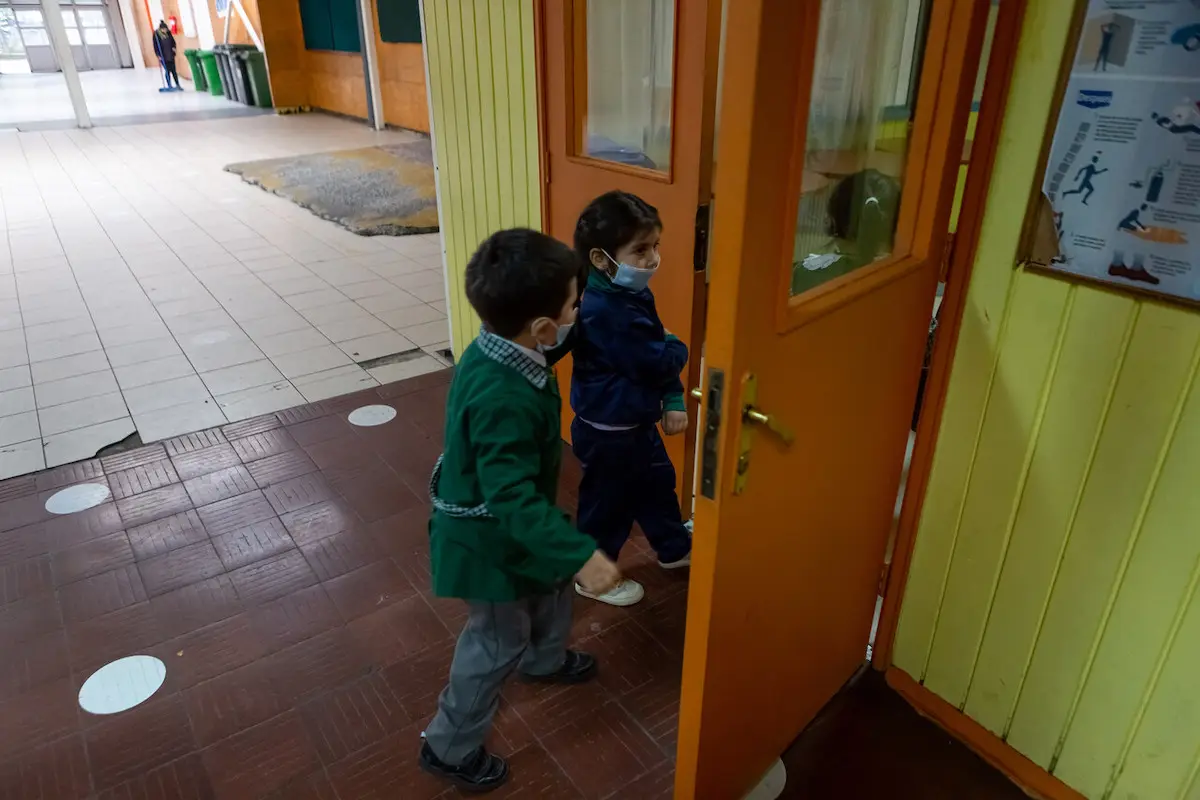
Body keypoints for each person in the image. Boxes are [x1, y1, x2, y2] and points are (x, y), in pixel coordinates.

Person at [419, 228, 621, 793]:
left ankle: (545, 659)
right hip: (486, 540)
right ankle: (449, 745)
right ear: (541, 326)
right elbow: (509, 496)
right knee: (495, 638)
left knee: (550, 583)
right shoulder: (502, 397)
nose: (578, 310)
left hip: (514, 525)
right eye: (574, 304)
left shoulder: (496, 343)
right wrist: (581, 555)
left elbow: (549, 342)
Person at [568, 191, 692, 607]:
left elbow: (657, 348)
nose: (653, 259)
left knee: (657, 487)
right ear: (601, 259)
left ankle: (674, 548)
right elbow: (657, 358)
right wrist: (680, 350)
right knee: (608, 508)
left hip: (635, 424)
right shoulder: (604, 309)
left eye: (655, 246)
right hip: (610, 433)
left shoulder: (629, 293)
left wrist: (671, 383)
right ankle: (593, 577)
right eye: (640, 250)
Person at [153, 20, 180, 90]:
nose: (165, 31)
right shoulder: (156, 35)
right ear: (161, 29)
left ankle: (177, 84)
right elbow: (155, 45)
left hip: (170, 54)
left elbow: (173, 42)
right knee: (167, 70)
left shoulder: (168, 33)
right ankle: (169, 85)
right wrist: (158, 55)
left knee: (174, 70)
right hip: (163, 56)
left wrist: (174, 48)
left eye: (166, 29)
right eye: (164, 29)